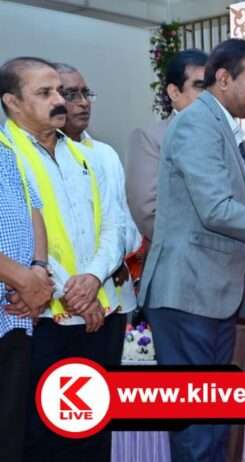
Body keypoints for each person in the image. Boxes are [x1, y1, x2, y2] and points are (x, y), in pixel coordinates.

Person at [137, 38, 245, 462]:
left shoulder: (224, 127)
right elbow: (216, 210)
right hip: (187, 297)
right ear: (223, 78)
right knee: (198, 432)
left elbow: (226, 222)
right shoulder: (198, 124)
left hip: (213, 298)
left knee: (213, 425)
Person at [0, 56, 124, 461]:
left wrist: (91, 282)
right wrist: (62, 291)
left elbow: (112, 227)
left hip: (90, 311)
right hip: (36, 319)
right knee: (39, 438)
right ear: (12, 103)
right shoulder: (8, 154)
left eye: (61, 91)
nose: (61, 101)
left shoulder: (84, 155)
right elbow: (31, 240)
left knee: (89, 432)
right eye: (46, 93)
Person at [56, 63, 142, 340]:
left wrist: (104, 270)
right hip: (62, 303)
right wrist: (83, 291)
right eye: (71, 95)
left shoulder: (105, 153)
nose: (83, 103)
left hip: (114, 294)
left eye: (85, 93)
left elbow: (123, 225)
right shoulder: (32, 156)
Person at [0, 136, 53, 462]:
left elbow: (34, 209)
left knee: (9, 438)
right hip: (19, 296)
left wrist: (39, 269)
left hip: (13, 316)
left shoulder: (6, 150)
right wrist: (25, 281)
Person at [126, 49, 207, 242]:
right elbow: (148, 214)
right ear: (174, 92)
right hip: (182, 261)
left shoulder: (227, 136)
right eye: (199, 86)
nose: (208, 96)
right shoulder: (151, 138)